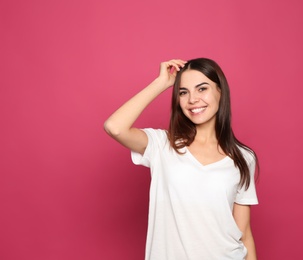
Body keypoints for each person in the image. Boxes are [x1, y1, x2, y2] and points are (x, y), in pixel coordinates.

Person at [104, 58, 259, 260]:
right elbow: (114, 127)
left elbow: (244, 234)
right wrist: (161, 83)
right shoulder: (163, 145)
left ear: (220, 92)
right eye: (183, 92)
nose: (192, 99)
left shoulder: (243, 157)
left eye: (202, 89)